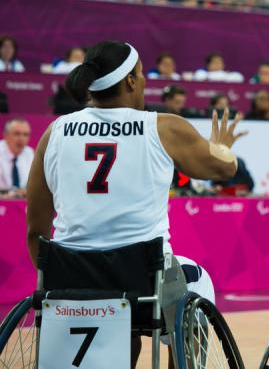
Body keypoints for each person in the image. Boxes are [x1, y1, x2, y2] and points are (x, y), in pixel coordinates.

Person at [25, 40, 245, 365]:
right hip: (142, 286)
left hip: (68, 282)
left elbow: (35, 230)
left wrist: (59, 289)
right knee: (199, 279)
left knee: (121, 321)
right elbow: (223, 167)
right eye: (141, 75)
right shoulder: (162, 126)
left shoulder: (53, 133)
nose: (143, 81)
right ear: (130, 81)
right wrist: (222, 145)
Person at [0, 118, 34, 196]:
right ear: (5, 135)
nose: (21, 138)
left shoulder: (30, 154)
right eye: (17, 134)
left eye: (25, 134)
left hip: (21, 200)